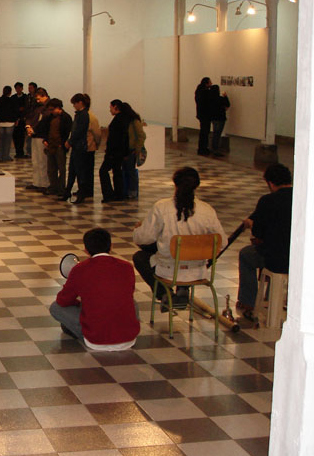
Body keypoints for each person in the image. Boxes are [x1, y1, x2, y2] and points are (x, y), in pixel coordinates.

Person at [132, 167, 226, 308]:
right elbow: (222, 242)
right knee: (185, 252)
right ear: (197, 185)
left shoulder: (162, 207)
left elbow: (143, 238)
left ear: (175, 184)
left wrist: (138, 229)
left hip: (168, 268)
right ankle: (183, 290)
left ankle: (165, 293)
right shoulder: (207, 210)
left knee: (140, 256)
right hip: (198, 270)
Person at [49, 228, 140, 350]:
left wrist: (79, 303)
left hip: (95, 340)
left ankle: (77, 331)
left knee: (55, 308)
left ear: (86, 250)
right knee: (132, 302)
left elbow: (63, 300)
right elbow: (128, 293)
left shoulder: (80, 269)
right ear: (111, 246)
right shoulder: (126, 267)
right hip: (129, 339)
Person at [235, 164, 293, 319]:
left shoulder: (268, 200)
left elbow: (258, 233)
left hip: (275, 258)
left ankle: (248, 301)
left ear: (270, 183)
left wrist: (252, 224)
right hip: (298, 257)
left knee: (246, 254)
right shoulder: (303, 198)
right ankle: (270, 297)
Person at [62, 93, 101, 205]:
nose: (74, 105)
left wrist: (70, 141)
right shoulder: (80, 114)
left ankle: (81, 194)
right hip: (77, 146)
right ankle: (68, 191)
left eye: (75, 103)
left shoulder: (84, 115)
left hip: (81, 147)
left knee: (80, 171)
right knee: (73, 170)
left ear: (80, 103)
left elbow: (80, 131)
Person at [38, 98, 72, 197]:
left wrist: (63, 143)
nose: (51, 112)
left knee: (61, 168)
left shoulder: (66, 117)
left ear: (58, 108)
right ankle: (53, 187)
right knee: (51, 168)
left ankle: (61, 188)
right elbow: (46, 129)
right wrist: (45, 140)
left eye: (52, 109)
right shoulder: (50, 117)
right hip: (50, 145)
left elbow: (67, 132)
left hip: (60, 146)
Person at [99, 99, 130, 203]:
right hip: (119, 152)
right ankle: (118, 194)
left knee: (103, 171)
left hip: (114, 152)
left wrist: (110, 151)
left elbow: (116, 138)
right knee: (117, 171)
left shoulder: (118, 120)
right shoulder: (123, 119)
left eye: (110, 107)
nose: (109, 110)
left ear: (115, 107)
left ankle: (108, 194)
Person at [24, 87, 50, 191]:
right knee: (35, 160)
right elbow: (29, 116)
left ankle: (44, 184)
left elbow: (43, 122)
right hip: (34, 135)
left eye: (39, 99)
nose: (37, 101)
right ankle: (36, 182)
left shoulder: (48, 107)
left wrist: (33, 129)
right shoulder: (36, 106)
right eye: (36, 99)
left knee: (42, 161)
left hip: (42, 135)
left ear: (45, 96)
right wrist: (28, 126)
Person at [121, 102, 146, 199]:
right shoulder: (127, 121)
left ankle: (133, 191)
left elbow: (142, 135)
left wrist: (137, 148)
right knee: (126, 170)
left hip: (132, 150)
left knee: (131, 171)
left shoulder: (134, 121)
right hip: (126, 150)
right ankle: (127, 190)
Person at [0, 85, 18, 162]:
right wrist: (15, 120)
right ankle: (6, 156)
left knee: (1, 140)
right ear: (10, 92)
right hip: (10, 123)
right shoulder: (11, 100)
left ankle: (0, 156)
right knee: (8, 141)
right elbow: (15, 111)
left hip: (1, 123)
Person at [209, 84, 230, 157]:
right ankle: (215, 149)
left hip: (213, 118)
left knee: (215, 133)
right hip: (220, 118)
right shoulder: (220, 99)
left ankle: (213, 148)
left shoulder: (210, 99)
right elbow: (227, 104)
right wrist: (225, 96)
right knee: (217, 134)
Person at [195, 77, 213, 156]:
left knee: (203, 132)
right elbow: (208, 103)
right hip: (205, 115)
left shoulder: (198, 91)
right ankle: (203, 148)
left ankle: (201, 148)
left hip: (201, 114)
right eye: (210, 82)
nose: (211, 84)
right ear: (206, 83)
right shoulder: (205, 92)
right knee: (205, 132)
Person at [12, 82, 28, 159]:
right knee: (15, 136)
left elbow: (27, 107)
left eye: (19, 88)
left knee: (21, 137)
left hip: (22, 120)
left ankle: (21, 152)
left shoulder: (25, 97)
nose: (18, 89)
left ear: (22, 88)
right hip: (15, 120)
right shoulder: (13, 98)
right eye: (16, 88)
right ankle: (17, 152)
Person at [24, 81, 39, 158]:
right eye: (28, 88)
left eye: (31, 88)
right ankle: (29, 152)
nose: (29, 89)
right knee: (28, 136)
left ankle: (33, 152)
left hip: (35, 119)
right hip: (29, 118)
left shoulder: (36, 98)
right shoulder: (28, 97)